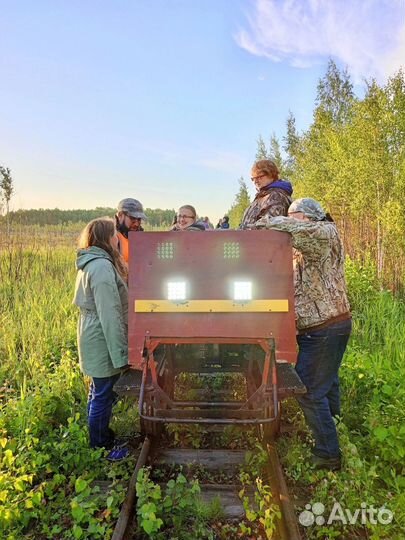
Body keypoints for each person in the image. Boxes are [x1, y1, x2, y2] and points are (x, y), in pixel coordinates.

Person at [266, 198, 352, 471]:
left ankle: (328, 453)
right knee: (328, 383)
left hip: (325, 327)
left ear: (311, 217)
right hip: (324, 326)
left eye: (296, 216)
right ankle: (334, 425)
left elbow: (295, 231)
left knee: (310, 391)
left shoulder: (324, 233)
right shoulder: (306, 246)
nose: (292, 220)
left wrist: (266, 223)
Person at [73, 218, 130, 461]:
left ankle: (99, 436)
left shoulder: (94, 262)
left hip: (93, 332)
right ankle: (101, 448)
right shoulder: (102, 267)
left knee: (98, 390)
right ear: (108, 238)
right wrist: (121, 354)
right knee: (103, 393)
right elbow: (110, 314)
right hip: (101, 336)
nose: (118, 237)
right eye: (115, 233)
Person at [240, 159, 292, 228]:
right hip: (249, 238)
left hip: (262, 238)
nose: (255, 181)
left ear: (271, 174)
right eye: (253, 178)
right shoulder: (262, 196)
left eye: (259, 177)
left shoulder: (276, 196)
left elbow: (269, 227)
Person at [115, 198, 147, 263]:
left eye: (139, 219)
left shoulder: (141, 237)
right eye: (133, 218)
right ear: (120, 215)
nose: (136, 224)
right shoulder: (110, 238)